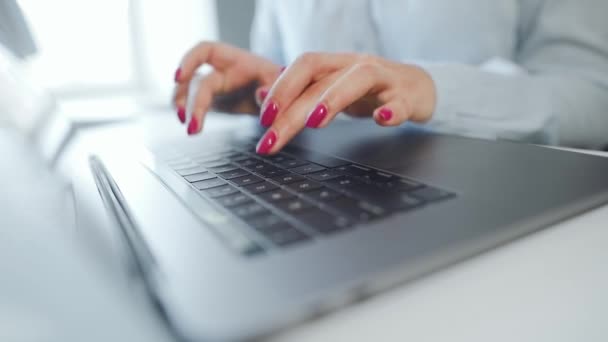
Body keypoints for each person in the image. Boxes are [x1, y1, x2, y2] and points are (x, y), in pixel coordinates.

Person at [172, 0, 608, 155]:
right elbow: (283, 69)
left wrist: (429, 89)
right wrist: (260, 94)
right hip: (323, 191)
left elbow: (594, 94)